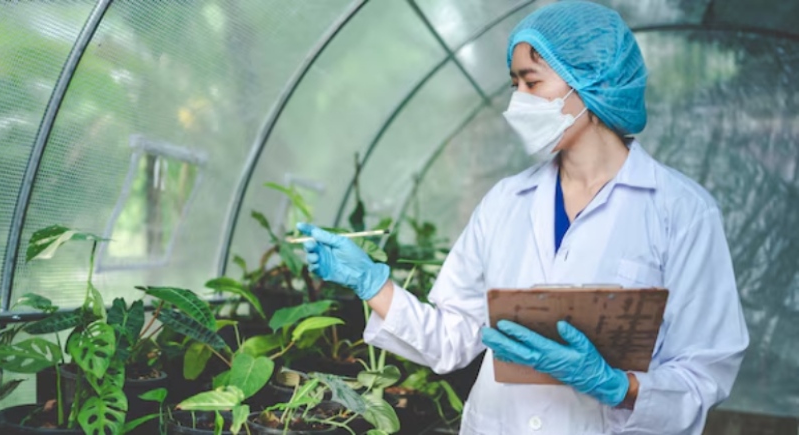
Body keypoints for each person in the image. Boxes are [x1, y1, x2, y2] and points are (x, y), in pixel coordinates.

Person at [296, 1, 749, 434]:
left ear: (590, 82)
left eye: (532, 83)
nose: (518, 101)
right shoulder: (505, 202)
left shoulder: (681, 211)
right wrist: (374, 287)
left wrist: (618, 386)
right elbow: (452, 339)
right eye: (514, 85)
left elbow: (703, 373)